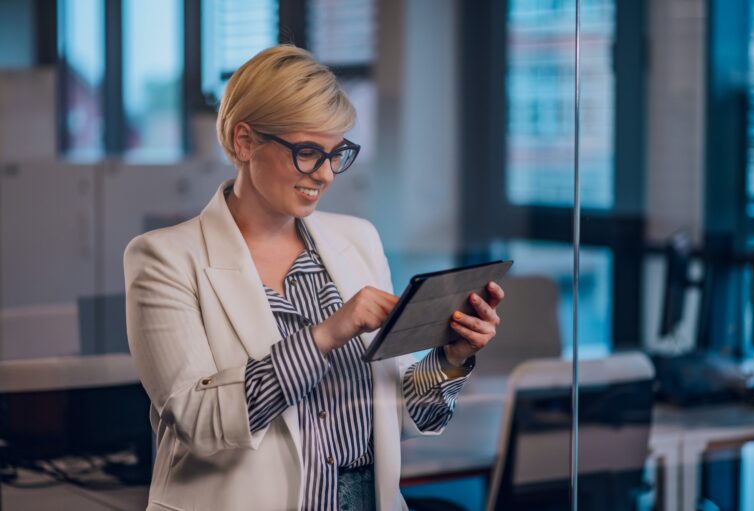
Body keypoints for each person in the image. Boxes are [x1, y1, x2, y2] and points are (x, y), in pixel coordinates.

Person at [123, 45, 504, 511]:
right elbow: (198, 422)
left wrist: (450, 357)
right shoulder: (164, 259)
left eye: (335, 153)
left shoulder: (358, 239)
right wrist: (326, 335)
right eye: (307, 153)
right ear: (244, 142)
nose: (324, 174)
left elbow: (403, 415)